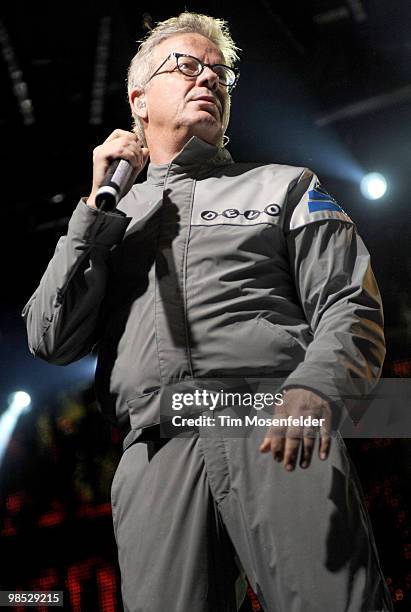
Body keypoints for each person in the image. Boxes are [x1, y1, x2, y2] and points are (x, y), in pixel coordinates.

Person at [22, 10, 393, 612]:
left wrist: (316, 388)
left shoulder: (285, 185)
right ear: (138, 100)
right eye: (189, 66)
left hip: (274, 426)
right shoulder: (110, 217)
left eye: (221, 74)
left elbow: (351, 303)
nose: (210, 81)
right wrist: (93, 213)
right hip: (157, 453)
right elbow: (49, 337)